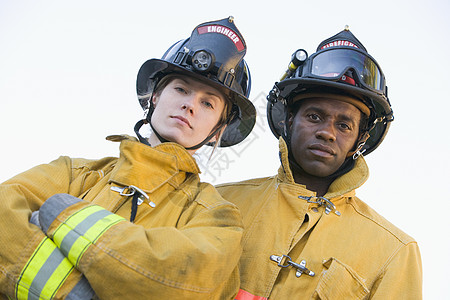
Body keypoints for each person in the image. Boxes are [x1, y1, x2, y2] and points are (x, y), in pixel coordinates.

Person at [0, 17, 256, 300]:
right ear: (155, 96)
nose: (190, 105)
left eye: (208, 102)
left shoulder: (217, 217)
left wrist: (60, 215)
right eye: (181, 89)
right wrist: (71, 290)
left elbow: (189, 280)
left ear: (217, 129)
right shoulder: (74, 172)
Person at [217, 27, 422, 299]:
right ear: (290, 120)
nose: (328, 132)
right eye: (314, 116)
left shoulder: (395, 251)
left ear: (361, 139)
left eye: (345, 125)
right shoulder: (218, 203)